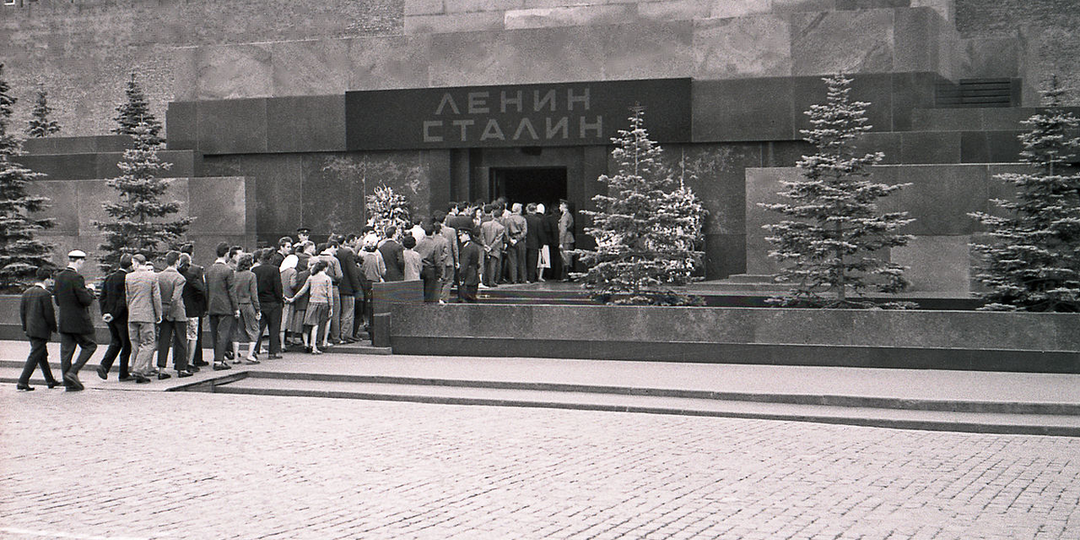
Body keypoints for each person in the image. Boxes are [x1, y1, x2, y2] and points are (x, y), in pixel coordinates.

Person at [54, 249, 98, 391]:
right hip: (79, 321)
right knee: (90, 345)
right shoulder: (77, 278)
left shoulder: (59, 277)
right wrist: (90, 290)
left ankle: (69, 383)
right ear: (79, 261)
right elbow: (85, 300)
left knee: (66, 352)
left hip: (64, 320)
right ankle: (73, 372)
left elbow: (57, 300)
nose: (83, 264)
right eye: (83, 261)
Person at [17, 266, 60, 391]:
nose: (51, 282)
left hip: (30, 329)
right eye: (50, 279)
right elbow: (49, 314)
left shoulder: (27, 293)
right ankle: (22, 381)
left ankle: (50, 380)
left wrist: (25, 327)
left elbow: (22, 312)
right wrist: (54, 328)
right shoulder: (45, 294)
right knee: (35, 355)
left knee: (42, 355)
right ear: (46, 280)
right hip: (41, 331)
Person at [97, 254, 135, 382]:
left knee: (116, 341)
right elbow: (123, 300)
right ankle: (123, 373)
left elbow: (102, 297)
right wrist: (114, 314)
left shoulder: (109, 277)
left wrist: (105, 313)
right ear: (130, 266)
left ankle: (104, 365)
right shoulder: (127, 278)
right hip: (122, 316)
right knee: (126, 344)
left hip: (110, 317)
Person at [125, 254, 163, 381]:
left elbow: (127, 297)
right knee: (148, 343)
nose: (132, 266)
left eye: (133, 263)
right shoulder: (152, 276)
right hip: (147, 315)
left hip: (132, 315)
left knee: (135, 343)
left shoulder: (128, 277)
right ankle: (139, 370)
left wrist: (130, 310)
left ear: (136, 263)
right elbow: (156, 297)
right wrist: (158, 314)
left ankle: (136, 369)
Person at [156, 250, 192, 378]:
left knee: (163, 340)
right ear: (177, 262)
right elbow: (176, 298)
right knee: (181, 340)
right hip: (177, 312)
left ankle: (161, 368)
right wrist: (171, 313)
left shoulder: (158, 276)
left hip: (163, 310)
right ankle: (181, 368)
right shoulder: (180, 278)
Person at [287, 259, 332, 354]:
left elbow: (303, 290)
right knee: (320, 324)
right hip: (323, 303)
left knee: (313, 325)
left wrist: (293, 298)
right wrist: (331, 306)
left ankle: (312, 346)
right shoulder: (327, 278)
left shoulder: (311, 277)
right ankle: (318, 344)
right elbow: (329, 295)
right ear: (325, 268)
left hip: (312, 303)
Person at [206, 242, 239, 371]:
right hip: (225, 307)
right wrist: (236, 308)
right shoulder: (228, 270)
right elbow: (231, 291)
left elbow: (206, 290)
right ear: (226, 254)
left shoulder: (209, 270)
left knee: (215, 334)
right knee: (223, 334)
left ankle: (218, 358)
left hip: (212, 306)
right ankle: (219, 361)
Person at [179, 244, 208, 368]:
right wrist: (204, 306)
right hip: (194, 307)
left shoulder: (176, 271)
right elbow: (202, 289)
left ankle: (179, 360)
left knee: (181, 335)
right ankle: (196, 358)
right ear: (192, 255)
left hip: (180, 307)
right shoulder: (196, 270)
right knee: (195, 334)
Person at [253, 248, 284, 358]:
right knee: (274, 328)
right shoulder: (274, 270)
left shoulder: (255, 270)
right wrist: (280, 299)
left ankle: (254, 350)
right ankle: (273, 352)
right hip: (273, 302)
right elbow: (277, 287)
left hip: (260, 302)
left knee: (259, 328)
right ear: (270, 258)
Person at [233, 253, 261, 364]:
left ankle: (236, 357)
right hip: (248, 305)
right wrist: (257, 309)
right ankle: (250, 355)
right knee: (254, 329)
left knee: (236, 331)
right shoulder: (251, 275)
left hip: (236, 305)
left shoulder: (234, 274)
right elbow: (254, 295)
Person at [335, 238, 362, 343]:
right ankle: (345, 334)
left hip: (336, 287)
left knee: (338, 313)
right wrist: (357, 288)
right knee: (348, 312)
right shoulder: (347, 253)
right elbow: (352, 272)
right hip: (348, 288)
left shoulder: (334, 254)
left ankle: (338, 334)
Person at [480, 206, 506, 287]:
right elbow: (498, 239)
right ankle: (492, 281)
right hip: (494, 248)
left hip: (485, 247)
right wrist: (490, 247)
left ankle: (484, 280)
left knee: (485, 264)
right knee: (493, 265)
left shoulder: (484, 224)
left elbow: (481, 236)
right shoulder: (501, 227)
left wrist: (485, 245)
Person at [504, 203, 528, 284]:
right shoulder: (522, 219)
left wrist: (510, 239)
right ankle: (523, 278)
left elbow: (506, 232)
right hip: (520, 241)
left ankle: (513, 279)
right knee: (522, 260)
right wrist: (517, 239)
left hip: (511, 240)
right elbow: (524, 231)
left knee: (512, 261)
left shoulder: (508, 219)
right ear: (519, 210)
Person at [457, 228, 482, 303]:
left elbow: (464, 264)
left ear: (467, 235)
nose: (460, 238)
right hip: (474, 276)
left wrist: (461, 277)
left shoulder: (467, 248)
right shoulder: (474, 246)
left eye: (461, 235)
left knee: (465, 300)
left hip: (467, 277)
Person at [525, 203, 546, 283]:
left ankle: (524, 277)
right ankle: (531, 278)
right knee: (533, 262)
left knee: (524, 261)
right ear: (535, 210)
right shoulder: (538, 220)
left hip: (525, 242)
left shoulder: (524, 218)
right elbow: (540, 233)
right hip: (534, 243)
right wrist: (541, 244)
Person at [542, 203, 560, 281]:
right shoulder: (560, 218)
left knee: (551, 258)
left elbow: (548, 230)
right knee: (558, 258)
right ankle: (557, 275)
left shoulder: (548, 219)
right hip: (559, 240)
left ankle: (550, 274)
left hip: (551, 241)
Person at [558, 200, 575, 281]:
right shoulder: (569, 215)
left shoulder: (565, 216)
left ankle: (565, 276)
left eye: (560, 205)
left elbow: (563, 230)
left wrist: (561, 242)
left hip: (565, 239)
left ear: (564, 205)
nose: (559, 207)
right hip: (569, 238)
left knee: (565, 258)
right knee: (568, 258)